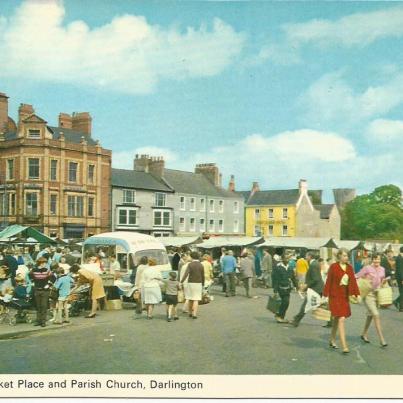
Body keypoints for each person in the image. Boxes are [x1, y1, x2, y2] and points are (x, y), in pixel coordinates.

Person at [323, 248, 360, 353]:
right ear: (339, 256)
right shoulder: (333, 267)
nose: (346, 258)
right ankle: (344, 346)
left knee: (336, 319)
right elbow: (329, 281)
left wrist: (356, 294)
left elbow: (353, 282)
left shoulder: (349, 268)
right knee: (341, 319)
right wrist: (325, 295)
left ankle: (332, 340)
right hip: (335, 296)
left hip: (344, 297)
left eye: (347, 256)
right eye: (344, 256)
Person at [356, 253, 388, 347]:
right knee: (376, 314)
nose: (376, 261)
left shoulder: (382, 269)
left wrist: (384, 282)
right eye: (375, 259)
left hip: (377, 294)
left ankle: (364, 333)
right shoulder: (367, 268)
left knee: (370, 315)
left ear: (380, 260)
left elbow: (382, 280)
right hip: (368, 294)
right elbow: (356, 276)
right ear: (372, 260)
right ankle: (382, 339)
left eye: (378, 259)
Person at [291, 251, 324, 327]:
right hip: (318, 288)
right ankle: (331, 321)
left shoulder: (313, 265)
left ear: (309, 256)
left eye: (306, 256)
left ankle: (296, 320)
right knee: (318, 305)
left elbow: (315, 279)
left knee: (306, 305)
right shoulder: (315, 263)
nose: (306, 257)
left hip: (315, 289)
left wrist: (306, 286)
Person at [29, 257, 56, 327]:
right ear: (40, 263)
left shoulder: (47, 270)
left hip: (45, 291)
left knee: (44, 306)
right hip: (37, 290)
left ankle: (43, 321)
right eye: (44, 263)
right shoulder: (34, 270)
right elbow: (30, 275)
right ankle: (38, 321)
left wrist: (49, 285)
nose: (45, 264)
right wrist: (33, 282)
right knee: (38, 306)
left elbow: (53, 278)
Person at [180, 251, 204, 319]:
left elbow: (186, 274)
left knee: (190, 298)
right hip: (198, 283)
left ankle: (190, 312)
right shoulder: (201, 265)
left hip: (190, 283)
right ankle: (194, 314)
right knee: (196, 299)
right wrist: (203, 283)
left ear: (192, 257)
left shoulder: (190, 265)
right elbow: (202, 275)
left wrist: (181, 281)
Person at [272, 254, 292, 323]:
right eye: (286, 259)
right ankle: (280, 316)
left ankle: (279, 315)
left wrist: (297, 286)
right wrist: (275, 291)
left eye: (288, 259)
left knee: (286, 303)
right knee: (285, 302)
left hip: (288, 288)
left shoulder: (290, 267)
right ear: (282, 259)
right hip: (281, 288)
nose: (288, 260)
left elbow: (293, 277)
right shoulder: (278, 267)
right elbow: (275, 279)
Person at [393, 246, 403, 312]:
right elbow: (400, 270)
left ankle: (400, 305)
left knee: (402, 292)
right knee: (402, 292)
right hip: (400, 278)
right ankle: (397, 303)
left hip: (400, 277)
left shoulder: (400, 257)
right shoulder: (400, 258)